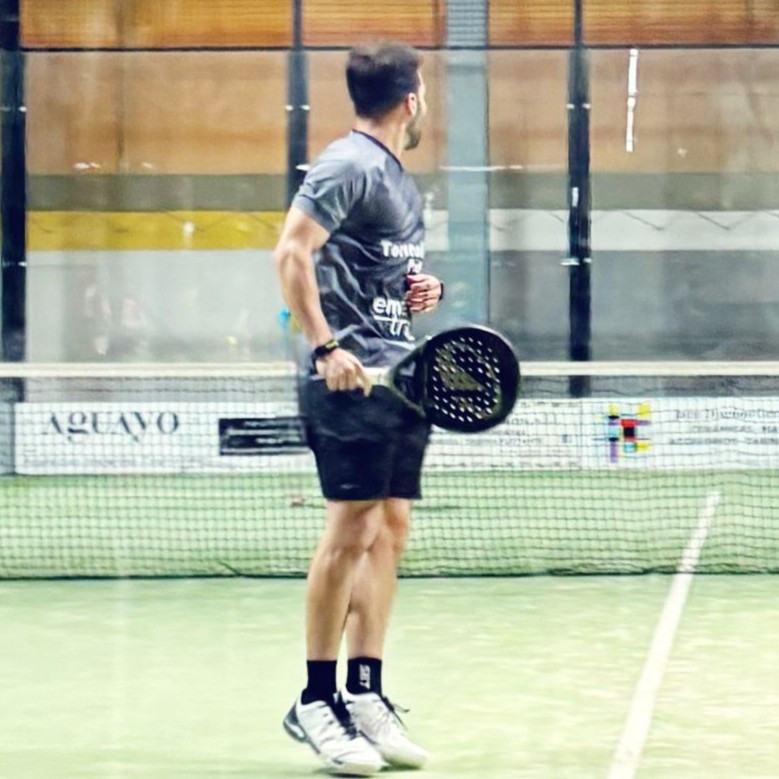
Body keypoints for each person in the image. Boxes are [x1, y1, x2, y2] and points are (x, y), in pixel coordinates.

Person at [273, 42, 444, 776]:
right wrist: (325, 347)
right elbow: (290, 253)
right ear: (410, 99)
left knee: (389, 528)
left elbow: (377, 270)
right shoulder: (347, 164)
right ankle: (316, 699)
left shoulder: (395, 177)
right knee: (350, 530)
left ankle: (365, 691)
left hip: (398, 373)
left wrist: (419, 290)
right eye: (424, 90)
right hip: (348, 377)